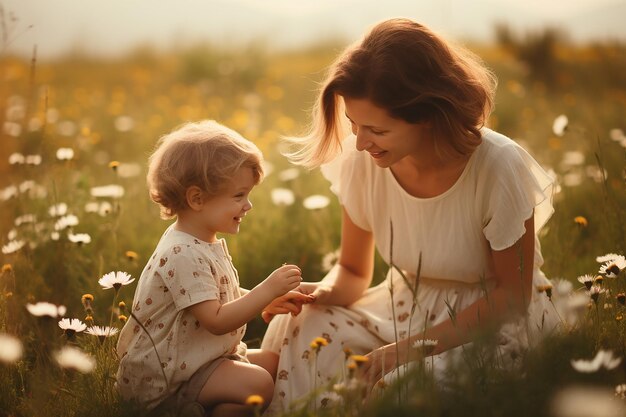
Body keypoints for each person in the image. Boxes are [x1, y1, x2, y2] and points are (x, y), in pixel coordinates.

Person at [260, 17, 559, 412]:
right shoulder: (362, 160)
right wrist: (318, 294)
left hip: (489, 324)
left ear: (428, 114)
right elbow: (351, 271)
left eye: (377, 131)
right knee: (296, 326)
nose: (361, 142)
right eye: (353, 124)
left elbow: (512, 297)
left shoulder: (497, 166)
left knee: (401, 388)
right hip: (402, 309)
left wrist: (406, 351)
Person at [116, 120, 314, 417]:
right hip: (170, 375)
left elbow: (211, 296)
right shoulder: (182, 252)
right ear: (197, 199)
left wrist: (269, 300)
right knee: (259, 382)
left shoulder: (200, 241)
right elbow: (216, 320)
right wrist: (266, 289)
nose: (248, 206)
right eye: (238, 196)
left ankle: (204, 410)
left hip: (201, 357)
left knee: (273, 363)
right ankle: (178, 407)